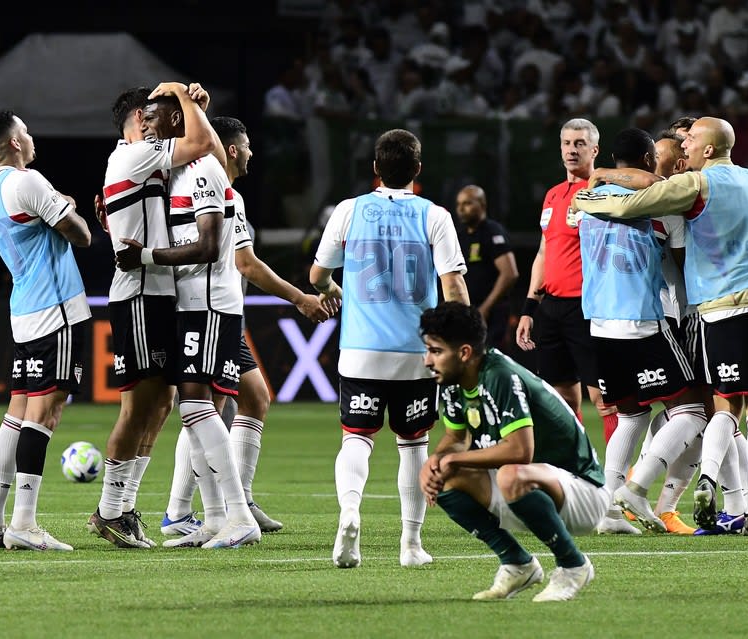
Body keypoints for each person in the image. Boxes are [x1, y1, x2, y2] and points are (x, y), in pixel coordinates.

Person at [573, 116, 748, 536]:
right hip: (712, 308)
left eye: (688, 140)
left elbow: (627, 203)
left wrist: (586, 193)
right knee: (720, 408)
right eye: (671, 148)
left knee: (656, 415)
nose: (682, 146)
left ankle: (619, 505)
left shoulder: (683, 189)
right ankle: (742, 501)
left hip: (613, 319)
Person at [159, 116, 333, 543]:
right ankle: (190, 511)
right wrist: (301, 298)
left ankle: (236, 503)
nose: (253, 152)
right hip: (210, 313)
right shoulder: (211, 185)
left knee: (253, 398)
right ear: (232, 149)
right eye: (248, 144)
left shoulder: (223, 192)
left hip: (222, 315)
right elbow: (247, 265)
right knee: (204, 410)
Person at [310, 128, 470, 569]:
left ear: (376, 169)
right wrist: (464, 341)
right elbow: (453, 285)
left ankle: (348, 512)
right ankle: (411, 545)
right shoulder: (434, 215)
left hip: (361, 349)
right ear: (418, 170)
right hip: (417, 353)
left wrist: (330, 289)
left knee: (356, 439)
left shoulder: (349, 210)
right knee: (413, 443)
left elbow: (317, 274)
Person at [88, 82, 220, 549]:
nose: (175, 124)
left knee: (161, 405)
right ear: (142, 120)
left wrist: (194, 105)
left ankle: (123, 508)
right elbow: (203, 144)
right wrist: (185, 100)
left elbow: (213, 156)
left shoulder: (147, 158)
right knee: (138, 406)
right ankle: (108, 511)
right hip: (139, 294)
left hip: (159, 293)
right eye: (166, 115)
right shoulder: (131, 155)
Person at [419, 302, 607, 602]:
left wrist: (452, 458)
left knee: (510, 474)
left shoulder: (500, 375)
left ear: (464, 352)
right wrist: (436, 461)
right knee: (445, 474)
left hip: (583, 491)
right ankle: (517, 563)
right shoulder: (454, 381)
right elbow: (455, 436)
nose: (428, 360)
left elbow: (520, 450)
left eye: (436, 351)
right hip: (536, 486)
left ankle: (574, 565)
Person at [573, 128, 705, 535]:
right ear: (649, 158)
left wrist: (601, 176)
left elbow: (593, 196)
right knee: (692, 411)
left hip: (599, 323)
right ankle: (635, 489)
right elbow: (685, 268)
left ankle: (609, 514)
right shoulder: (661, 205)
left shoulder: (586, 201)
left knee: (630, 416)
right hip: (644, 321)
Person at [0, 110, 92, 551]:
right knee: (46, 412)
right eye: (26, 131)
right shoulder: (29, 181)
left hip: (23, 310)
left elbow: (38, 220)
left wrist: (53, 208)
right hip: (56, 310)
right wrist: (67, 208)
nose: (31, 136)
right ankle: (23, 522)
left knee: (18, 411)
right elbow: (80, 236)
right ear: (16, 143)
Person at [514, 118, 618, 444]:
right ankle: (579, 468)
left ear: (595, 150)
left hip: (588, 308)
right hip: (553, 309)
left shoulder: (602, 193)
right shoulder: (553, 195)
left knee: (604, 399)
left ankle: (618, 478)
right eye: (567, 144)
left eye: (579, 144)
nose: (572, 150)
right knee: (562, 400)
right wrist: (530, 308)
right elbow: (544, 253)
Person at [455, 185, 519, 350]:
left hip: (492, 316)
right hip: (468, 316)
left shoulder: (492, 232)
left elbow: (510, 273)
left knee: (491, 359)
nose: (461, 209)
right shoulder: (459, 236)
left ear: (482, 204)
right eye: (459, 204)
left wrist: (486, 307)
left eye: (467, 203)